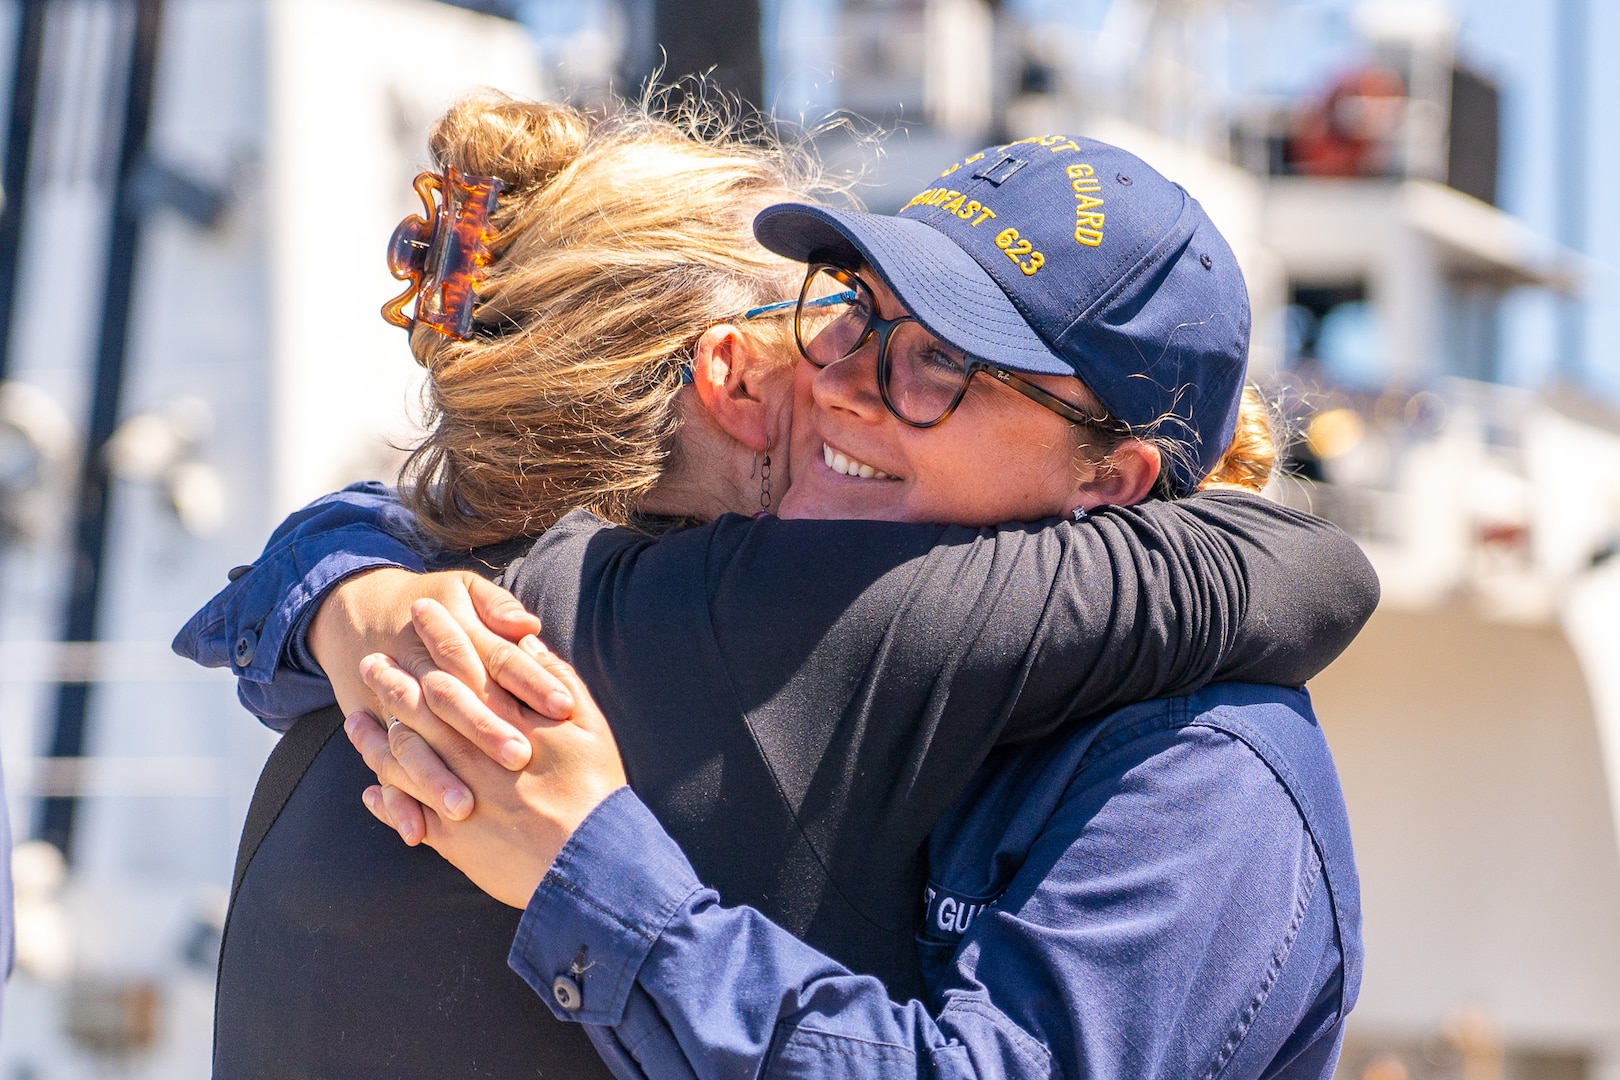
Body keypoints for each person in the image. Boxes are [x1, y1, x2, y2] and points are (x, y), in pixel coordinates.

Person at [176, 98, 1374, 1079]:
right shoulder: (829, 624)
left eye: (939, 364)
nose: (845, 380)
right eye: (857, 315)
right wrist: (356, 596)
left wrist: (587, 868)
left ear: (1111, 480)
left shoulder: (1207, 775)